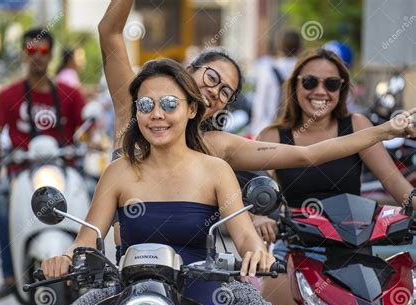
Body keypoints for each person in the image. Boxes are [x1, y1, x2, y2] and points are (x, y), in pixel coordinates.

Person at [98, 0, 414, 263]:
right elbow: (109, 31)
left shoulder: (216, 145)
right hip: (130, 270)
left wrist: (384, 130)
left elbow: (306, 155)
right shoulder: (133, 104)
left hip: (192, 277)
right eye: (211, 78)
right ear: (190, 69)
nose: (215, 92)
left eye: (226, 92)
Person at [42, 59, 278, 305]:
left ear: (191, 109)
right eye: (145, 105)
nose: (156, 114)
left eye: (169, 104)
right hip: (129, 293)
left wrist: (258, 253)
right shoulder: (117, 172)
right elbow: (86, 241)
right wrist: (65, 258)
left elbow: (244, 236)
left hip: (208, 292)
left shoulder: (216, 170)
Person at [252, 48, 416, 305]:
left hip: (354, 247)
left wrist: (413, 203)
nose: (320, 91)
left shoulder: (357, 125)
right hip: (295, 246)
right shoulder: (272, 136)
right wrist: (258, 217)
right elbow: (248, 189)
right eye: (309, 82)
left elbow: (395, 182)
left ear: (342, 89)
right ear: (294, 85)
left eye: (331, 84)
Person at [0, 28, 87, 302]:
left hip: (66, 170)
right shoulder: (8, 95)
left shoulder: (70, 94)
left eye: (43, 51)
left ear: (51, 55)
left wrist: (95, 141)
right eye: (31, 51)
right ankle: (9, 276)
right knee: (3, 197)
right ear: (23, 55)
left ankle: (96, 268)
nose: (37, 57)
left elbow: (87, 130)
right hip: (22, 173)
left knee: (94, 189)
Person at [250, 29, 302, 135]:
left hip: (271, 130)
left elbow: (260, 103)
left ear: (279, 46)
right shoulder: (304, 69)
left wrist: (256, 131)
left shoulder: (268, 70)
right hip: (298, 130)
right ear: (300, 48)